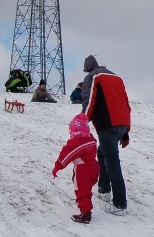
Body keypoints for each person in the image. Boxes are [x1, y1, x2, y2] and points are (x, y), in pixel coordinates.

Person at [81, 55, 131, 216]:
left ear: (88, 68)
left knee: (112, 163)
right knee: (102, 153)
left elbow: (89, 101)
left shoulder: (93, 77)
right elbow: (125, 104)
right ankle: (104, 189)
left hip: (107, 125)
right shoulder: (116, 77)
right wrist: (126, 133)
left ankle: (120, 204)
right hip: (121, 124)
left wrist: (83, 122)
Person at [52, 113, 101, 224]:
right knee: (86, 189)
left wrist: (56, 168)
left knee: (82, 191)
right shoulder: (91, 138)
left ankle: (86, 214)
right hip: (94, 167)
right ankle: (86, 208)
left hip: (84, 170)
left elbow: (65, 156)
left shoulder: (75, 143)